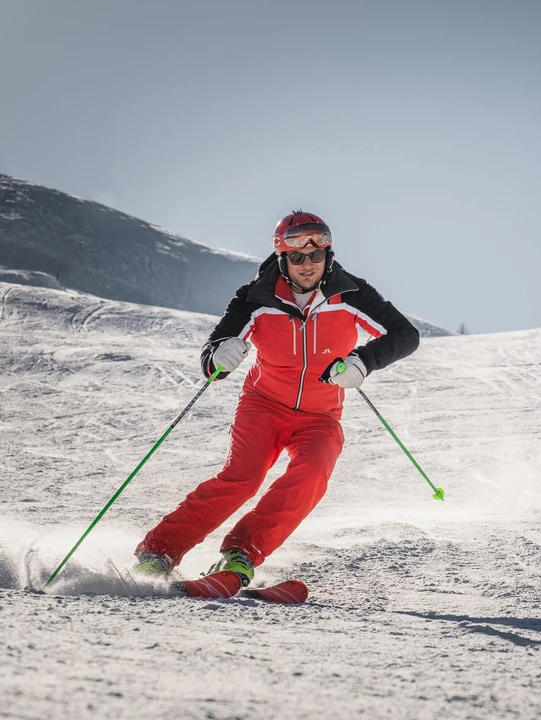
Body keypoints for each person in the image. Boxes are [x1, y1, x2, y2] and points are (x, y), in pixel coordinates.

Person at [132, 211, 419, 591]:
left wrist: (364, 361)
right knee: (243, 478)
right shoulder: (257, 296)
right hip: (263, 405)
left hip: (320, 416)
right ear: (283, 258)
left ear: (328, 255)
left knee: (313, 473)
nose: (307, 265)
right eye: (297, 257)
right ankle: (159, 551)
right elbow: (213, 351)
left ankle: (242, 553)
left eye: (316, 256)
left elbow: (405, 334)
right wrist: (218, 356)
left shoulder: (352, 294)